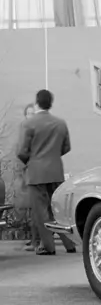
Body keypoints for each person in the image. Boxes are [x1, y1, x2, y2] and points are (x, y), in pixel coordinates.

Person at [16, 90, 77, 255]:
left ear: (37, 103)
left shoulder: (28, 124)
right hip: (56, 171)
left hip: (36, 174)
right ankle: (69, 244)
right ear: (51, 103)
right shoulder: (60, 123)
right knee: (56, 209)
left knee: (41, 211)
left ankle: (48, 247)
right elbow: (66, 147)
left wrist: (32, 161)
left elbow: (21, 151)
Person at [17, 103, 40, 251]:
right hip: (27, 174)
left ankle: (36, 241)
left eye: (33, 113)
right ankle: (34, 239)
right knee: (32, 210)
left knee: (37, 210)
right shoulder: (25, 130)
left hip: (35, 173)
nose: (30, 116)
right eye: (28, 113)